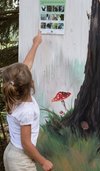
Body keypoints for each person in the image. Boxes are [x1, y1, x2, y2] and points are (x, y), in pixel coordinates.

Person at [2, 32, 53, 171]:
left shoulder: (14, 95)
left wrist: (36, 43)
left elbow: (26, 66)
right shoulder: (27, 111)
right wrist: (43, 161)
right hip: (21, 159)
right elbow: (26, 143)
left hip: (11, 152)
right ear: (30, 83)